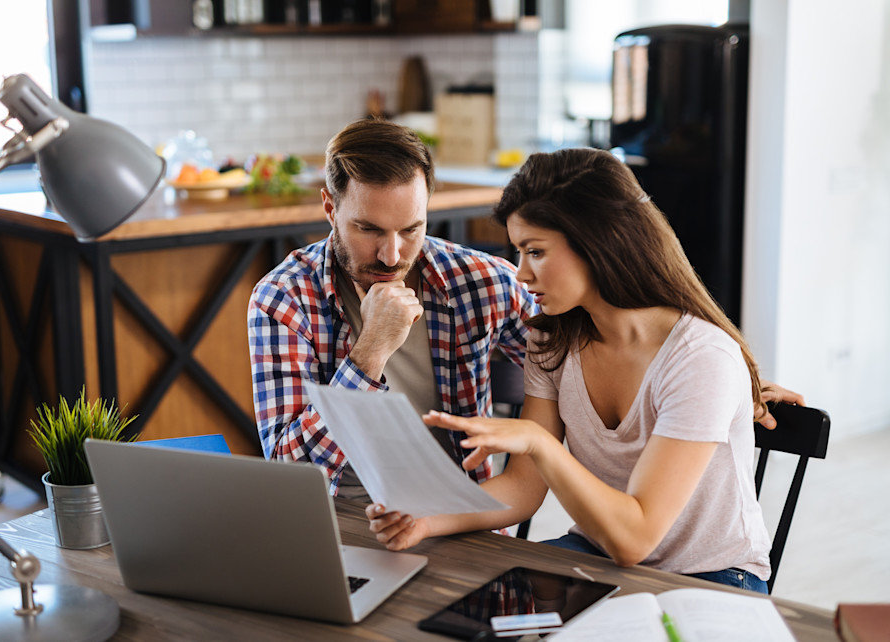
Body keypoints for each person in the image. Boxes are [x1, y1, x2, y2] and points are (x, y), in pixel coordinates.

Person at [366, 147, 806, 593]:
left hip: (710, 577)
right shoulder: (552, 340)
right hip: (597, 555)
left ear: (599, 242)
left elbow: (634, 538)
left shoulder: (701, 358)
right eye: (519, 252)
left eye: (535, 251)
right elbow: (522, 489)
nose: (521, 274)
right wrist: (425, 518)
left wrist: (540, 444)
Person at [247, 118, 537, 502]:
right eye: (369, 230)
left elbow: (573, 374)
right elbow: (290, 475)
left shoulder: (482, 281)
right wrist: (369, 354)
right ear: (330, 208)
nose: (392, 255)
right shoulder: (283, 299)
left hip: (463, 521)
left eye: (410, 229)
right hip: (340, 522)